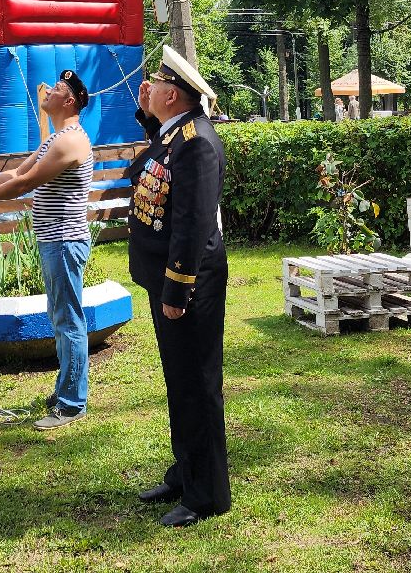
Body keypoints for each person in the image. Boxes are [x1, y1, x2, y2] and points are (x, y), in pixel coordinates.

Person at [127, 46, 230, 528]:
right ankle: (185, 472)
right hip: (169, 279)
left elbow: (192, 223)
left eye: (157, 84)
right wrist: (149, 122)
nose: (150, 88)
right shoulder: (175, 135)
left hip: (190, 283)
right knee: (179, 384)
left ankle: (206, 494)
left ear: (173, 93)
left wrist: (176, 289)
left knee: (196, 385)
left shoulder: (198, 142)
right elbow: (148, 171)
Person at [0, 69, 95, 431]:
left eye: (58, 89)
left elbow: (24, 185)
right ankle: (67, 390)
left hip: (65, 243)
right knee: (61, 318)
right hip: (55, 242)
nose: (48, 90)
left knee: (68, 322)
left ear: (69, 102)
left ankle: (71, 403)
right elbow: (15, 174)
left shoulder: (71, 142)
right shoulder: (56, 139)